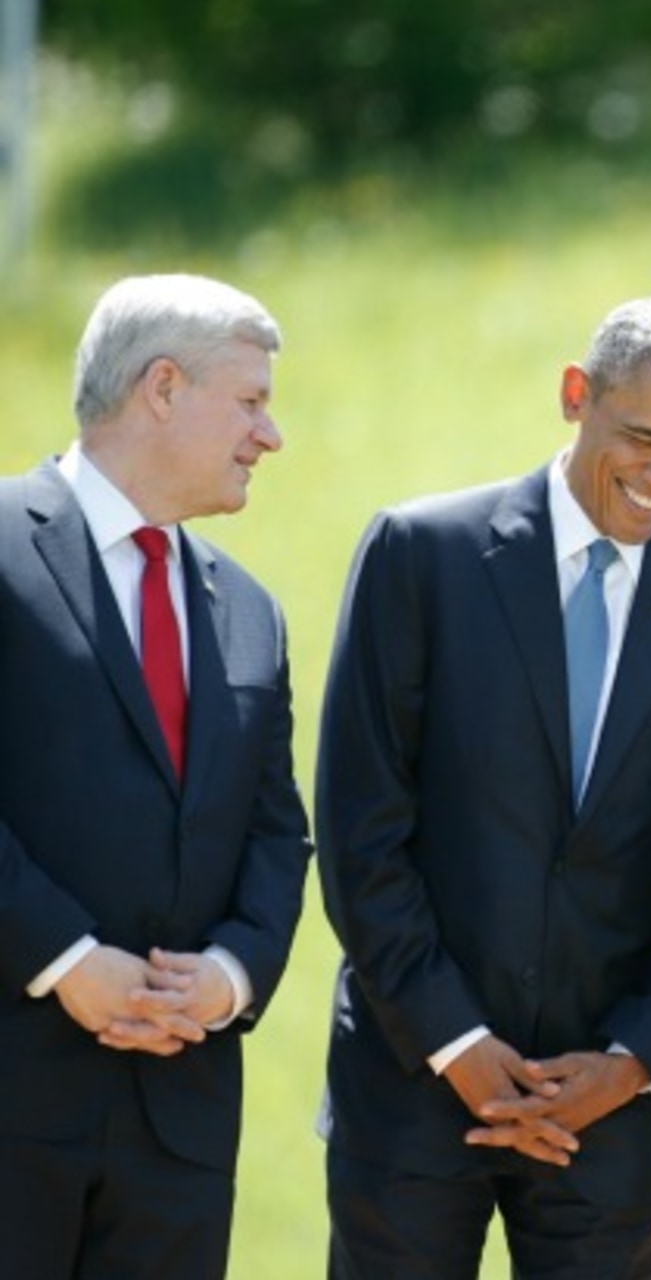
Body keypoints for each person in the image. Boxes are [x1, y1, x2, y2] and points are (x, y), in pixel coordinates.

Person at [316, 296, 651, 1279]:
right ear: (578, 395)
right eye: (644, 436)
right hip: (412, 1084)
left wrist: (636, 1056)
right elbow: (361, 827)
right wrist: (457, 1039)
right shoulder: (420, 553)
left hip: (609, 1116)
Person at [0, 274, 311, 1279]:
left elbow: (276, 834)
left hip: (179, 1126)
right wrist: (63, 958)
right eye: (253, 401)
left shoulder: (252, 611)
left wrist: (227, 978)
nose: (270, 435)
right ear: (164, 388)